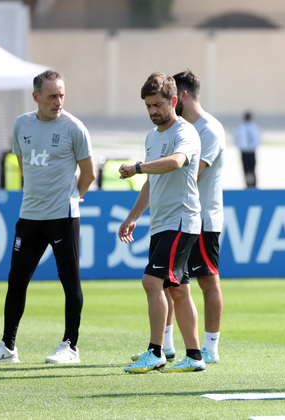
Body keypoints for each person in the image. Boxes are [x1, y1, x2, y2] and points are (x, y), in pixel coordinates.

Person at [0, 70, 96, 365]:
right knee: (16, 280)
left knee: (69, 281)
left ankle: (70, 346)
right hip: (29, 216)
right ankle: (8, 347)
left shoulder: (74, 128)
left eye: (62, 95)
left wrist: (74, 197)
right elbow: (23, 164)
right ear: (36, 96)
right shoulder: (21, 124)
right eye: (52, 96)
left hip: (63, 217)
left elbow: (89, 173)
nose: (58, 101)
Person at [118, 72, 205, 374]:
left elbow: (176, 162)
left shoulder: (186, 133)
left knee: (151, 282)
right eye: (148, 106)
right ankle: (194, 356)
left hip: (181, 220)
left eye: (157, 104)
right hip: (162, 223)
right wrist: (133, 216)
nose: (153, 111)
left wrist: (137, 167)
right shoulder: (152, 137)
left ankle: (156, 351)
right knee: (177, 290)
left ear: (173, 101)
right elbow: (152, 182)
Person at [234, 111, 261, 188]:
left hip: (252, 151)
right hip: (244, 151)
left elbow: (258, 138)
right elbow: (236, 138)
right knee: (245, 169)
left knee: (252, 169)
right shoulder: (240, 127)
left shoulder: (255, 127)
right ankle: (247, 184)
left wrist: (254, 146)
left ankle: (254, 184)